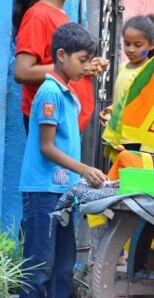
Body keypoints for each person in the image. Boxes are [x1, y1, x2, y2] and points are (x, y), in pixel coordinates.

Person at [18, 23, 109, 298]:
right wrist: (84, 170)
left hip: (64, 191)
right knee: (39, 266)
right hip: (43, 191)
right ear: (61, 55)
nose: (85, 67)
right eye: (81, 60)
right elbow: (46, 147)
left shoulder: (69, 94)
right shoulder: (50, 93)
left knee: (64, 265)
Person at [13, 0, 107, 134]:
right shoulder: (38, 16)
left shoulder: (60, 14)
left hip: (64, 118)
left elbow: (64, 62)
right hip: (48, 118)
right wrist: (77, 67)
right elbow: (22, 72)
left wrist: (87, 65)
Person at [99, 14, 154, 151]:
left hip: (136, 139)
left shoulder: (149, 71)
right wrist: (110, 110)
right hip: (119, 136)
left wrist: (146, 146)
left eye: (137, 45)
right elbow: (124, 99)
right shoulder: (122, 67)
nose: (130, 49)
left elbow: (149, 107)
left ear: (152, 44)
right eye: (127, 43)